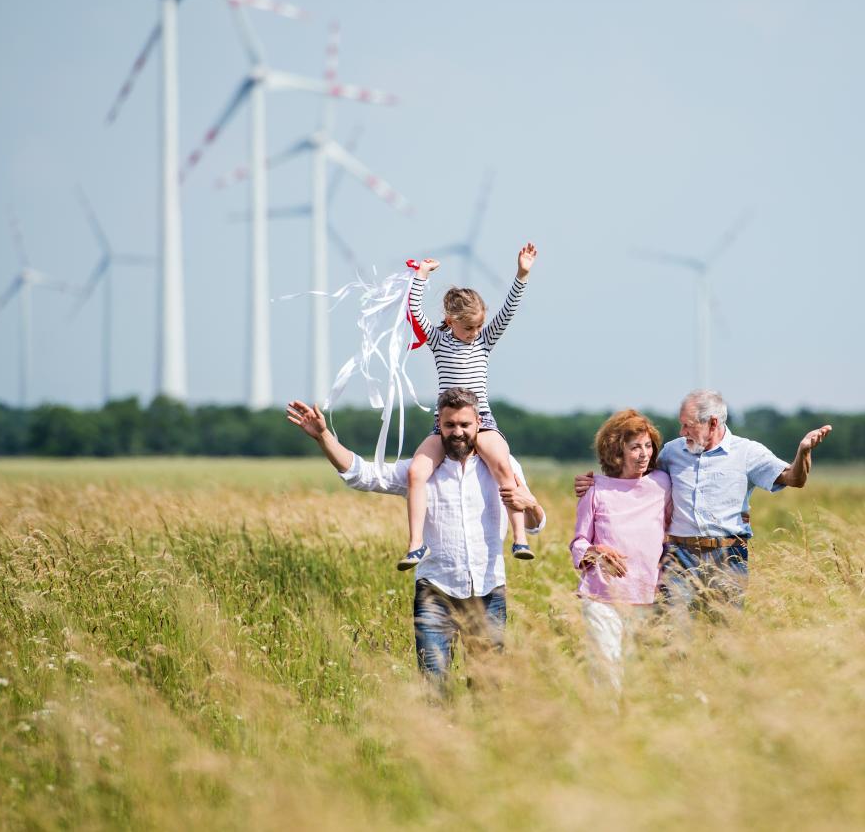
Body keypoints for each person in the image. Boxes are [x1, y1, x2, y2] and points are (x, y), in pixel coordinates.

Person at [287, 388, 548, 687]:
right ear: (440, 424)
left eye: (465, 425)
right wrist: (324, 437)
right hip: (435, 591)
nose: (458, 433)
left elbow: (535, 525)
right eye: (450, 425)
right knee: (433, 686)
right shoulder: (421, 470)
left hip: (489, 590)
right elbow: (365, 475)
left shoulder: (505, 466)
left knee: (488, 688)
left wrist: (532, 505)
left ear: (479, 423)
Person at [575, 389, 830, 617]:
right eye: (681, 425)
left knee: (724, 633)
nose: (681, 432)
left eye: (688, 426)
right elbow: (634, 480)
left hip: (728, 554)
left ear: (713, 423)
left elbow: (794, 478)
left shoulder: (747, 452)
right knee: (673, 633)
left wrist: (803, 452)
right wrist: (595, 484)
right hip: (679, 555)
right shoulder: (672, 452)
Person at [400, 243, 538, 572]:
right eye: (468, 328)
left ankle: (520, 538)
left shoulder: (484, 340)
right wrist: (420, 275)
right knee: (416, 472)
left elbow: (508, 310)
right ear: (450, 321)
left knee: (503, 467)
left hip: (482, 420)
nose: (474, 333)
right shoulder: (437, 339)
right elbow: (415, 310)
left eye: (478, 326)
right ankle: (416, 543)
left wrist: (521, 274)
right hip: (445, 423)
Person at [570, 409, 672, 693]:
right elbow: (578, 542)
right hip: (602, 598)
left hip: (648, 596)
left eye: (648, 446)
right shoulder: (595, 490)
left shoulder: (662, 484)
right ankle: (606, 731)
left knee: (642, 678)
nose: (644, 454)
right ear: (617, 451)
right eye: (635, 447)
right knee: (606, 674)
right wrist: (596, 551)